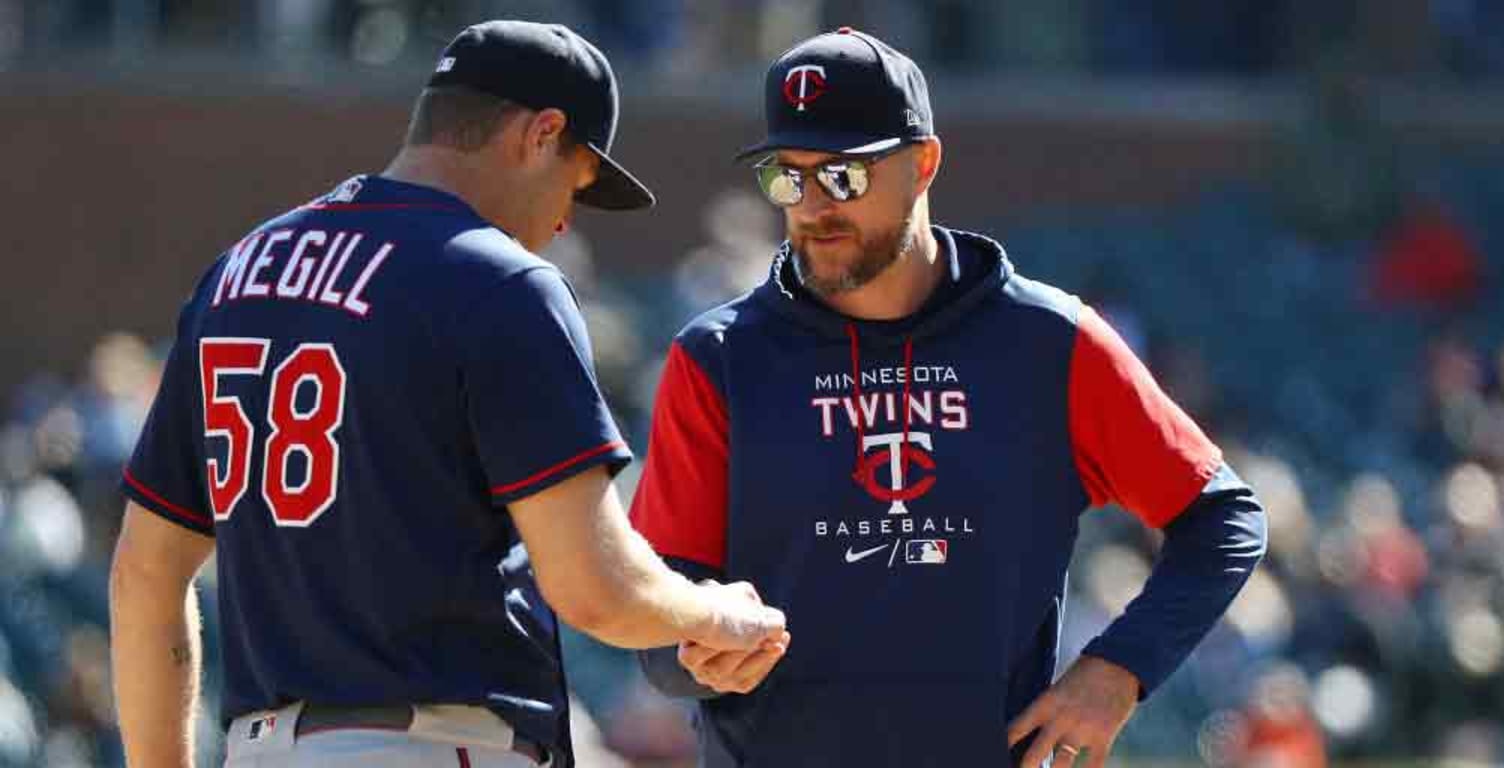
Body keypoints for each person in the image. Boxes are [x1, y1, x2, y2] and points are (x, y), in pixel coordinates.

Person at [109, 20, 787, 768]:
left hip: (262, 749)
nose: (565, 221)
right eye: (577, 183)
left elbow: (146, 573)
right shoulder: (496, 278)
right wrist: (717, 612)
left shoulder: (239, 272)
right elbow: (595, 586)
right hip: (433, 744)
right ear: (542, 133)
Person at [630, 28, 1267, 768]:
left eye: (843, 176)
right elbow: (656, 616)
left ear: (924, 162)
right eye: (787, 177)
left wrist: (1120, 669)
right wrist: (695, 653)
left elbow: (1221, 517)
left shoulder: (1049, 341)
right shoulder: (717, 358)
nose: (811, 205)